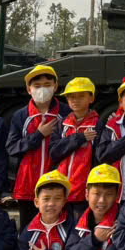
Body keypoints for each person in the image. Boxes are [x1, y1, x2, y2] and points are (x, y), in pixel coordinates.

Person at [7, 64, 64, 220]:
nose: (42, 89)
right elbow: (12, 148)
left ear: (55, 86)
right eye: (37, 86)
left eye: (47, 85)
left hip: (56, 182)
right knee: (27, 226)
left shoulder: (65, 113)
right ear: (28, 89)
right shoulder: (21, 115)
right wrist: (38, 135)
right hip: (27, 184)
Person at [51, 77, 101, 216]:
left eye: (81, 96)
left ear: (91, 98)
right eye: (71, 97)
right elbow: (54, 153)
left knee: (80, 225)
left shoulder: (98, 124)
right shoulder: (62, 124)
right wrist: (80, 138)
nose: (75, 100)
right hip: (62, 189)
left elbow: (99, 158)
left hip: (84, 190)